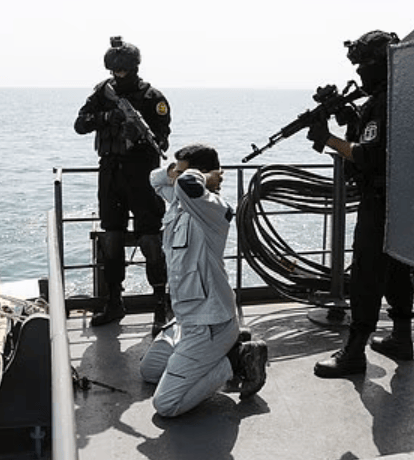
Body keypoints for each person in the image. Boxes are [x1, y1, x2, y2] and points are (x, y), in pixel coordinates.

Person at [305, 30, 414, 378]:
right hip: (401, 198)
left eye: (363, 65)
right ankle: (401, 337)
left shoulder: (382, 103)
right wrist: (353, 120)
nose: (359, 73)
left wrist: (327, 138)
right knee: (396, 269)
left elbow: (368, 156)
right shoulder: (400, 95)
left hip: (379, 202)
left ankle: (354, 352)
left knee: (366, 274)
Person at [139, 143, 268, 417]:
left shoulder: (213, 209)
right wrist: (174, 171)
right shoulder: (179, 203)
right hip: (185, 321)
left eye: (183, 172)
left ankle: (238, 359)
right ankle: (224, 349)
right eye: (177, 173)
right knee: (149, 371)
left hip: (211, 324)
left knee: (166, 404)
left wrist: (205, 177)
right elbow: (154, 179)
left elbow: (188, 184)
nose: (176, 178)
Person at [74, 36, 171, 334]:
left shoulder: (152, 97)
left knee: (151, 240)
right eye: (115, 70)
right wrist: (108, 117)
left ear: (134, 67)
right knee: (112, 239)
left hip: (142, 176)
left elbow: (162, 142)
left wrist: (138, 135)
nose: (119, 74)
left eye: (124, 70)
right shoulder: (102, 93)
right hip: (111, 174)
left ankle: (160, 306)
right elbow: (80, 124)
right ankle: (114, 302)